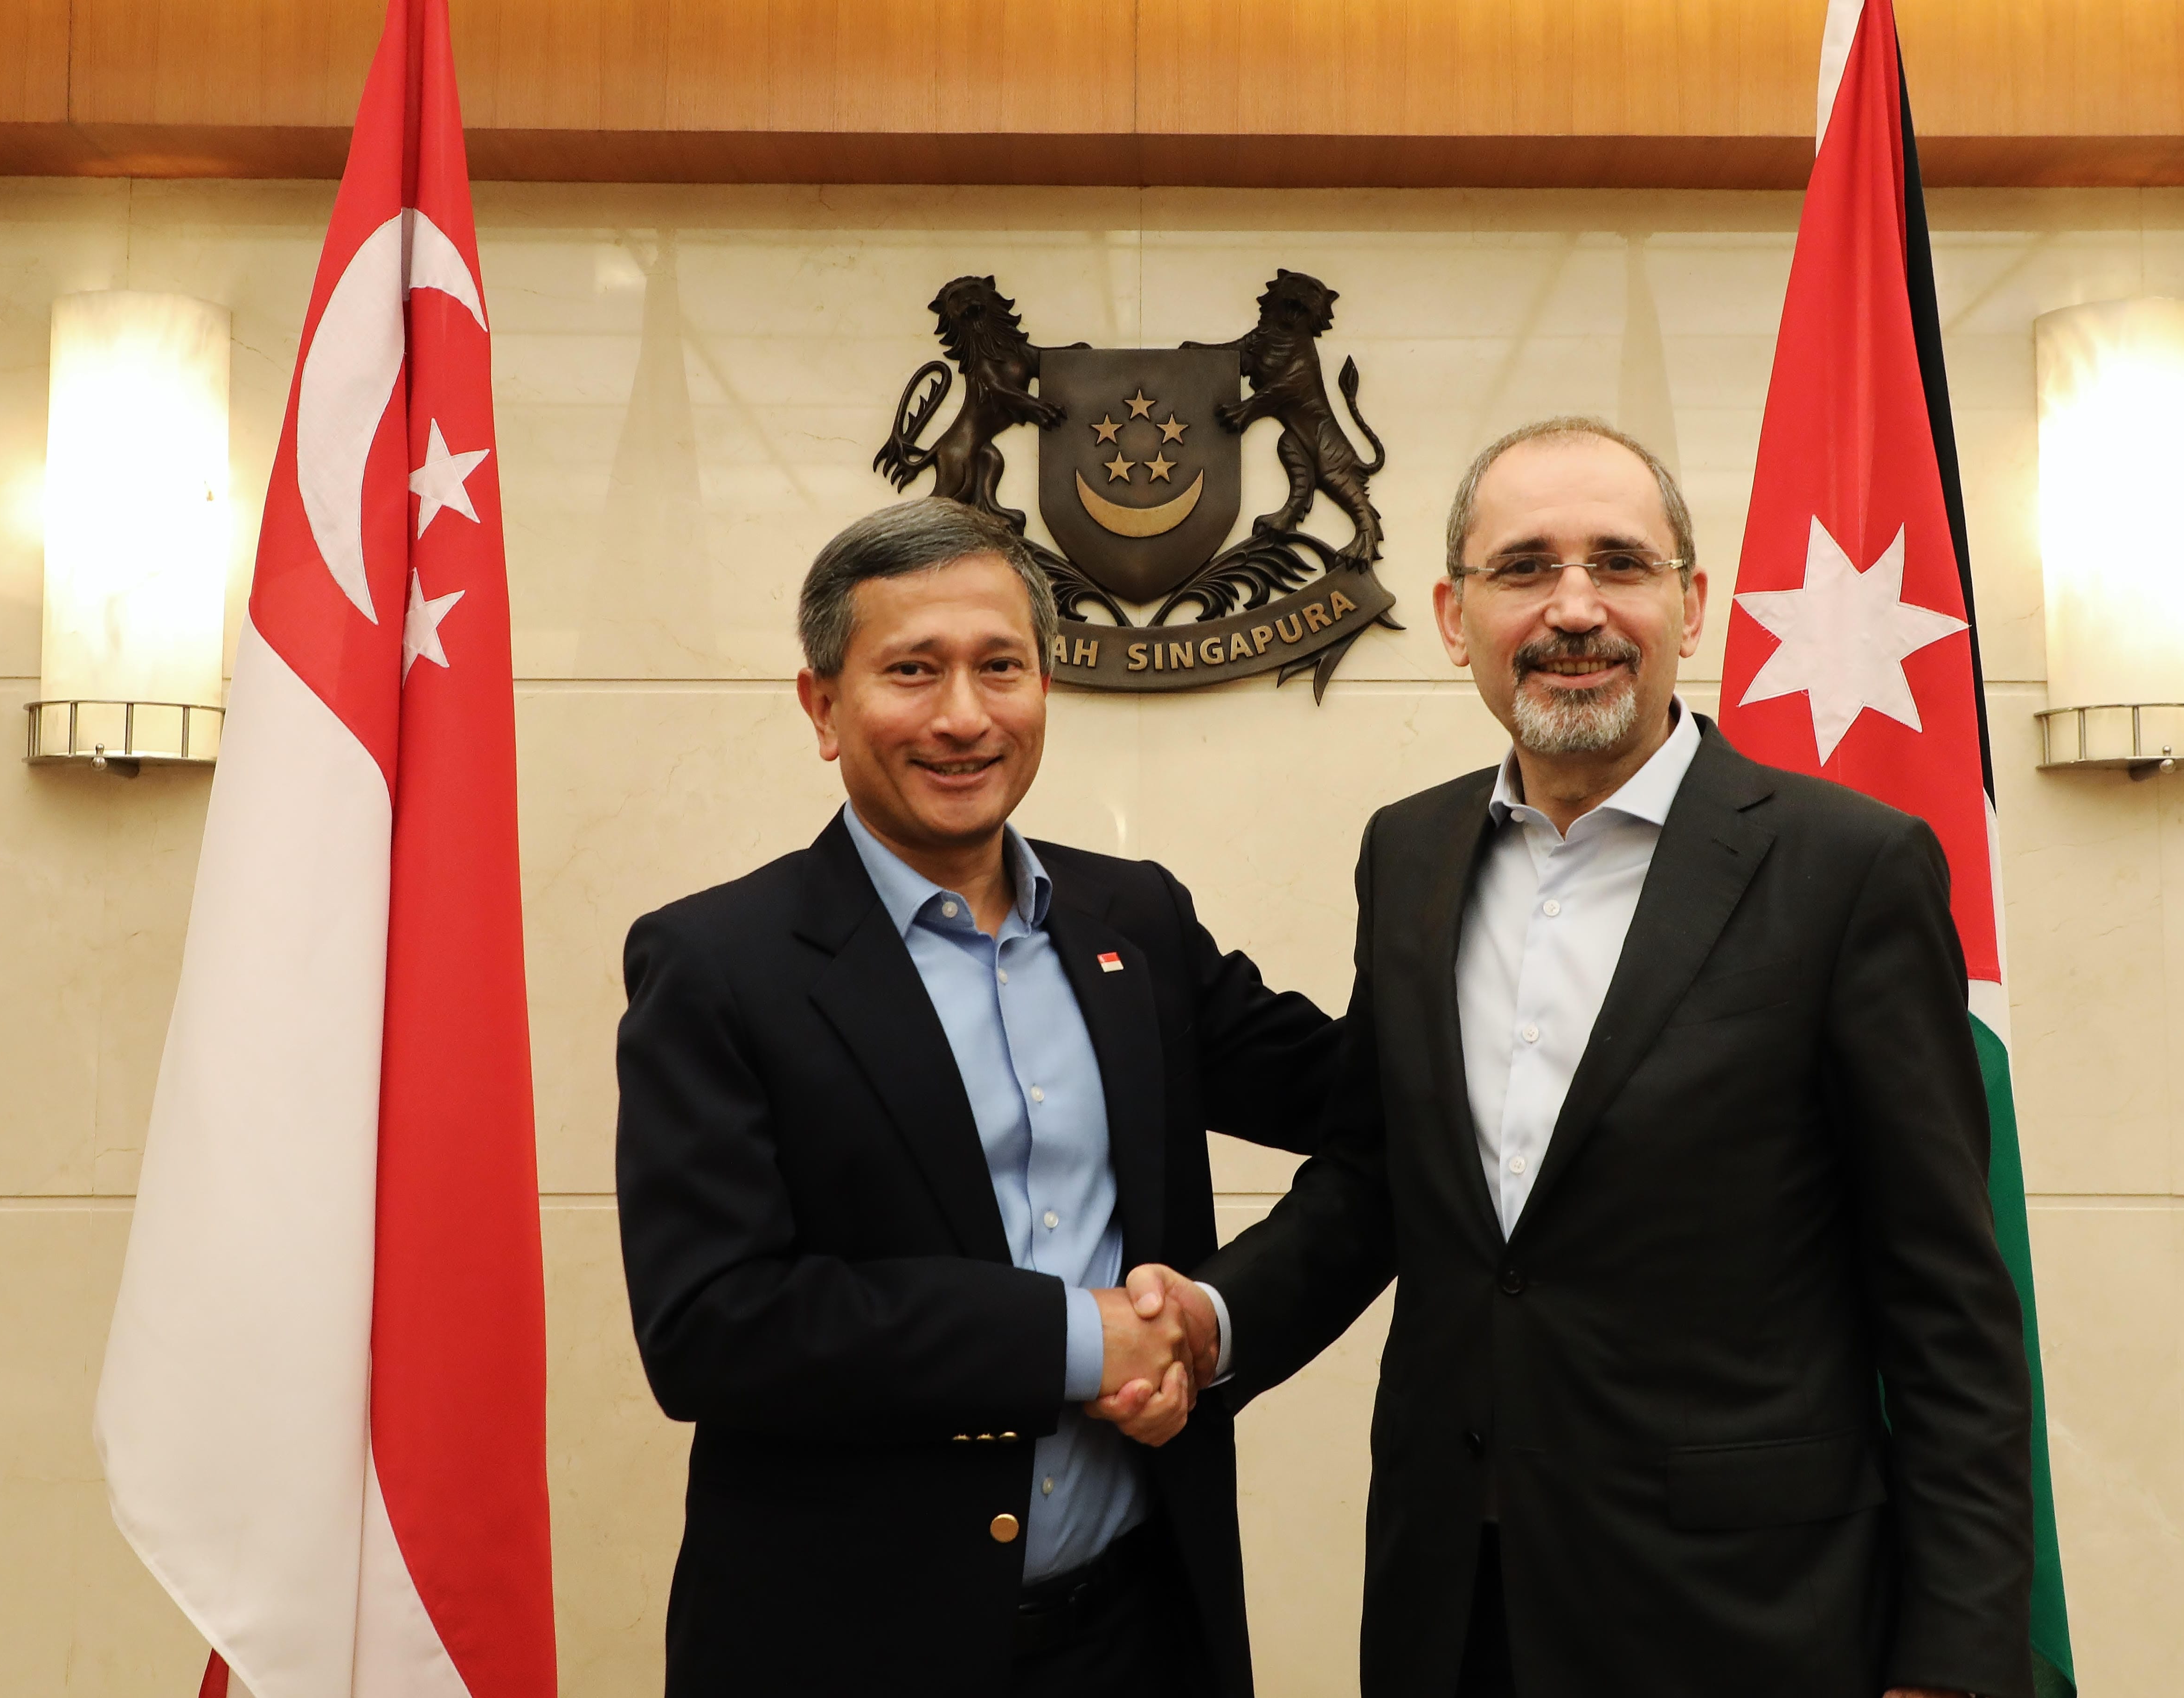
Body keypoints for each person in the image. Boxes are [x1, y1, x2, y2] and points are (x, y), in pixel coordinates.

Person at [1144, 418, 2036, 1698]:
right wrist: (1208, 1323)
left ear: (1691, 603)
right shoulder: (1407, 855)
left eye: (1616, 563)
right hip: (1451, 1605)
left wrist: (1951, 1655)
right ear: (1454, 618)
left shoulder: (1849, 868)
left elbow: (1945, 1304)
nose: (1573, 609)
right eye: (1522, 569)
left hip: (1743, 1617)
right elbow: (1374, 1179)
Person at [614, 498, 1336, 1697]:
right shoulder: (720, 964)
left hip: (1140, 1638)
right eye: (912, 670)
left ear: (1045, 685)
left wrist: (1210, 1317)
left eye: (1000, 667)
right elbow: (711, 1330)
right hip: (849, 1653)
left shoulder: (1137, 923)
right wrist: (1072, 1340)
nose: (963, 716)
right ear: (823, 707)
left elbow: (1364, 1101)